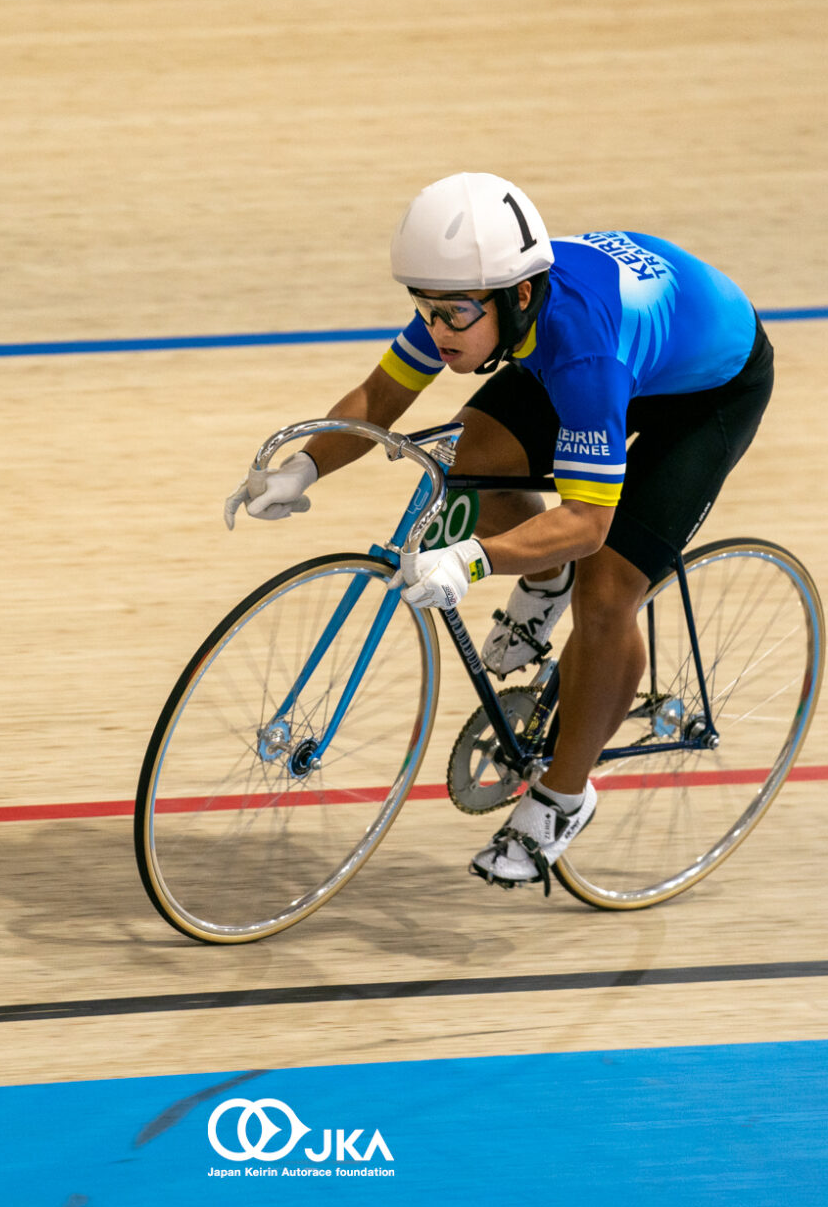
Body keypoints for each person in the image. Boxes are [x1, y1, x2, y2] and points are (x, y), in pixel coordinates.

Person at [224, 172, 773, 890]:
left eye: (452, 314)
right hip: (617, 351)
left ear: (516, 296)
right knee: (471, 452)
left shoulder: (578, 349)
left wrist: (475, 563)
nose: (437, 330)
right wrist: (303, 469)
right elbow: (383, 394)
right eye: (423, 309)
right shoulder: (478, 300)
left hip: (704, 395)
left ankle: (561, 799)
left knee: (607, 590)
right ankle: (543, 586)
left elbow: (586, 522)